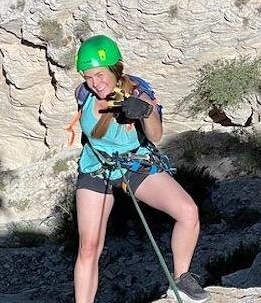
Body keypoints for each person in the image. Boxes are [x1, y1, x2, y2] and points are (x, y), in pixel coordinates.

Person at [71, 34, 210, 303]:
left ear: (115, 69)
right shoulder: (84, 94)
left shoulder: (137, 91)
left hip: (134, 164)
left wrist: (145, 112)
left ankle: (181, 281)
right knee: (89, 247)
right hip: (96, 167)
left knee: (188, 211)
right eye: (88, 77)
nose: (95, 83)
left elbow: (155, 135)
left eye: (99, 74)